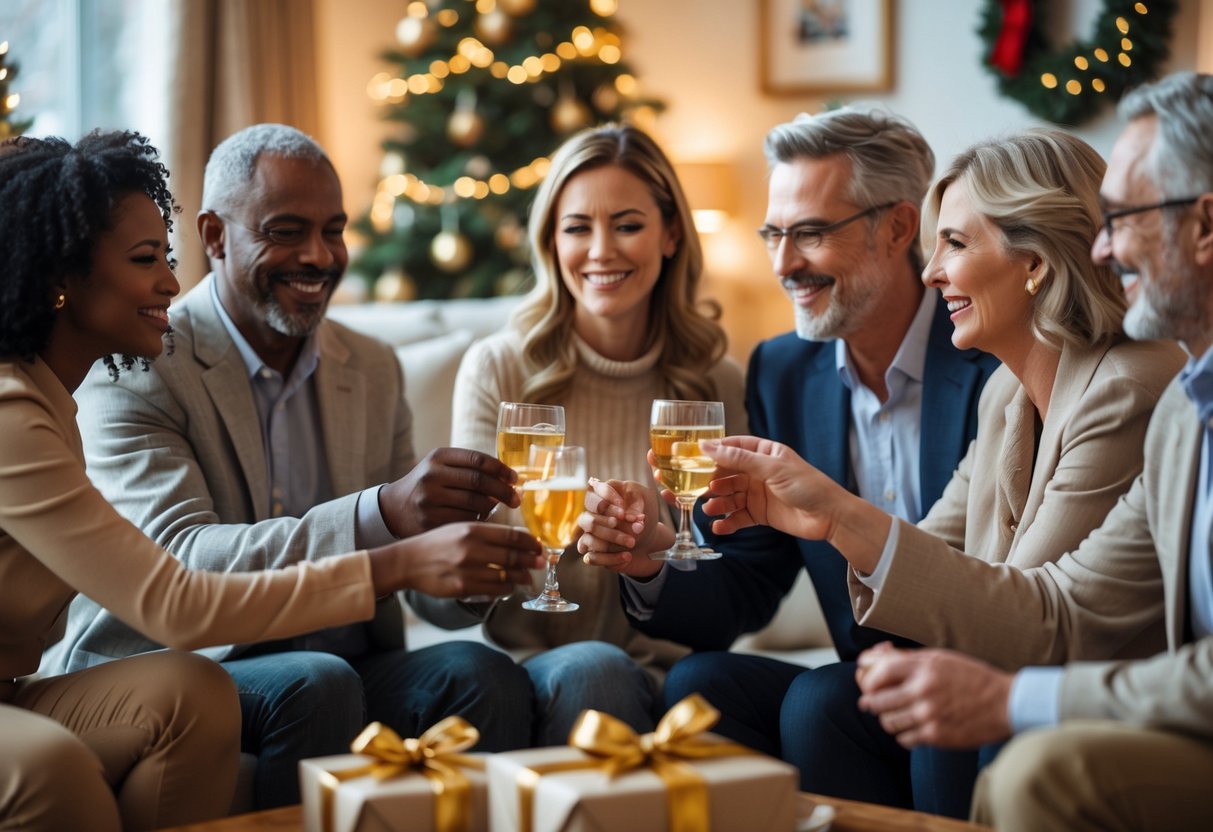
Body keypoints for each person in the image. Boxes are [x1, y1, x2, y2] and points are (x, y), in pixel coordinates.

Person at [699, 71, 1213, 830]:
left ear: (1033, 263)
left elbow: (1034, 623)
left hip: (1091, 693)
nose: (932, 271)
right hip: (1060, 671)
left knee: (907, 704)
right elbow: (939, 560)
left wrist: (840, 512)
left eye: (954, 244)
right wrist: (820, 519)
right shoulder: (1009, 394)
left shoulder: (1137, 388)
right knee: (741, 688)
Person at [0, 131, 540, 831]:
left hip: (27, 688)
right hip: (210, 649)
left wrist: (465, 561)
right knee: (66, 762)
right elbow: (176, 594)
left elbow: (427, 584)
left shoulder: (53, 396)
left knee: (202, 692)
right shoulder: (40, 405)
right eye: (145, 261)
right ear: (60, 280)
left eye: (333, 231)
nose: (170, 280)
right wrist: (393, 545)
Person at [576, 106, 999, 808]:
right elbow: (745, 585)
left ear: (897, 227)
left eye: (809, 233)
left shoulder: (985, 357)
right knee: (700, 686)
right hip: (864, 687)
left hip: (973, 668)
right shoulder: (780, 369)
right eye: (773, 233)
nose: (781, 264)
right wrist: (649, 559)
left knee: (818, 699)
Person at [450, 123, 746, 745]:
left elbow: (735, 582)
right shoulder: (499, 367)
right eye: (578, 227)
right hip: (536, 669)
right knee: (595, 670)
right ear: (551, 242)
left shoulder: (717, 381)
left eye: (628, 225)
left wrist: (653, 548)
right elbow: (462, 564)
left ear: (670, 235)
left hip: (675, 672)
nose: (602, 250)